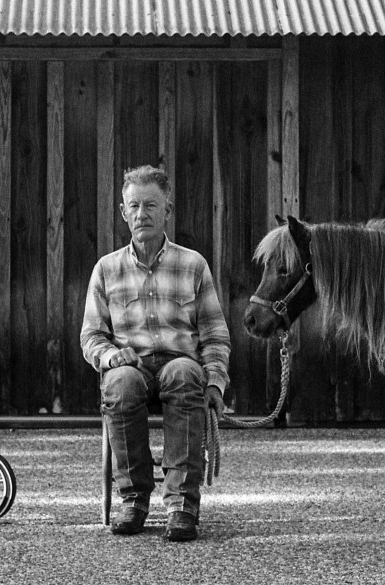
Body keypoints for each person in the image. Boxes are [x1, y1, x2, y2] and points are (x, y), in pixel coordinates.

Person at [81, 164, 230, 542]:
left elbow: (215, 335)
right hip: (131, 364)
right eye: (134, 205)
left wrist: (215, 382)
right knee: (121, 384)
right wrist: (109, 357)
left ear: (168, 209)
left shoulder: (193, 264)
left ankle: (182, 505)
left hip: (180, 364)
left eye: (151, 205)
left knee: (184, 374)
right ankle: (134, 499)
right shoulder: (106, 269)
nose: (141, 213)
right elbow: (92, 336)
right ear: (122, 211)